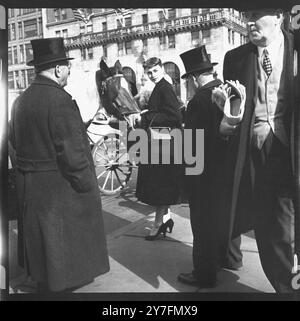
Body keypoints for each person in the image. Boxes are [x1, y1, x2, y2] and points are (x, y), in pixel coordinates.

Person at [9, 38, 110, 293]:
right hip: (58, 188)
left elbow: (14, 141)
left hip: (31, 187)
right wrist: (87, 185)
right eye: (67, 66)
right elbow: (73, 154)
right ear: (57, 69)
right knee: (60, 244)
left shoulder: (20, 101)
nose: (68, 71)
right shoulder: (60, 100)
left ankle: (44, 279)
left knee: (43, 243)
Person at [221, 7, 296, 293]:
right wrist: (228, 111)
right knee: (267, 226)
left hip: (292, 148)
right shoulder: (236, 59)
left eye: (258, 12)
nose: (250, 21)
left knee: (287, 224)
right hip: (257, 150)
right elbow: (232, 116)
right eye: (247, 14)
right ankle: (285, 287)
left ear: (278, 16)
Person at [176, 46, 228, 288]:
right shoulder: (225, 91)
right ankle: (219, 262)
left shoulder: (198, 99)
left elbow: (192, 144)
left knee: (202, 225)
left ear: (194, 77)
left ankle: (204, 274)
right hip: (222, 172)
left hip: (203, 175)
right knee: (217, 220)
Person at [131, 57, 183, 240]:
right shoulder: (160, 87)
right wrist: (149, 113)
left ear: (162, 69)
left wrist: (145, 118)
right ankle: (165, 219)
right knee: (162, 186)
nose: (152, 75)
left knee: (159, 186)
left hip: (164, 144)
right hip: (161, 142)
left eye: (155, 71)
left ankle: (158, 223)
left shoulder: (164, 87)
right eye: (149, 72)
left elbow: (174, 116)